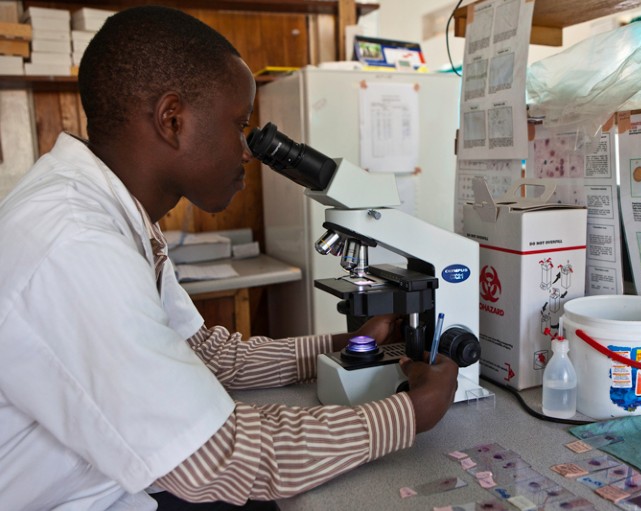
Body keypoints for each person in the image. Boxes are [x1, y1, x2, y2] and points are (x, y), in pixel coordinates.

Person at [0, 6, 459, 511]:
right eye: (239, 124)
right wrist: (415, 411)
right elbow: (226, 461)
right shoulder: (75, 247)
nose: (246, 151)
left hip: (119, 479)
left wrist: (350, 344)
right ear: (172, 120)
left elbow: (207, 356)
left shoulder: (110, 212)